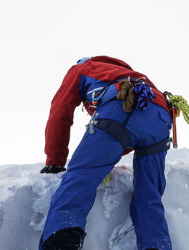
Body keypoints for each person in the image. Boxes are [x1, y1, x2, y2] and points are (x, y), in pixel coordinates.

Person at [40, 56, 173, 250]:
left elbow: (60, 112)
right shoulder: (131, 74)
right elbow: (133, 129)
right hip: (160, 115)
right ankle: (156, 245)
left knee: (81, 175)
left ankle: (62, 237)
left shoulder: (83, 68)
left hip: (121, 104)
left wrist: (55, 160)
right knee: (150, 193)